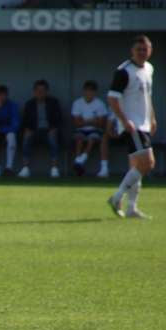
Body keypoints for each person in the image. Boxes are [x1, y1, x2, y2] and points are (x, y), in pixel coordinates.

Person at [106, 35, 157, 220]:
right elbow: (112, 98)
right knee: (148, 163)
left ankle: (131, 208)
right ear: (132, 51)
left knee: (136, 168)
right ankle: (116, 197)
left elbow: (147, 97)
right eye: (139, 49)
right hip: (132, 125)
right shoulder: (124, 71)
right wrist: (124, 120)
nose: (142, 52)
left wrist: (152, 118)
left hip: (143, 123)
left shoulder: (149, 68)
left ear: (150, 50)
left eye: (146, 49)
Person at [19, 79, 63, 179]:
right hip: (34, 130)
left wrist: (54, 128)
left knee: (53, 138)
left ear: (47, 91)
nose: (40, 93)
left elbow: (59, 119)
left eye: (43, 90)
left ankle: (54, 168)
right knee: (26, 137)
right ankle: (25, 168)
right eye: (38, 90)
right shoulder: (29, 104)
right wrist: (27, 129)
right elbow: (25, 121)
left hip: (49, 130)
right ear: (34, 92)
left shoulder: (53, 102)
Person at [71, 81, 109, 177]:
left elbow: (101, 123)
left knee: (92, 138)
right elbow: (76, 123)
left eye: (91, 91)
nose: (89, 94)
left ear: (95, 92)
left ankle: (82, 159)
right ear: (84, 91)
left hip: (96, 130)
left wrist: (85, 121)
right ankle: (79, 163)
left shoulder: (100, 104)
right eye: (87, 91)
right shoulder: (77, 103)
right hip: (81, 130)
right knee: (79, 139)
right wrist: (93, 120)